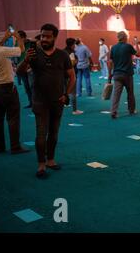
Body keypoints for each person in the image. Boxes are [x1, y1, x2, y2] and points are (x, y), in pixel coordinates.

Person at [17, 24, 76, 179]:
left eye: (47, 36)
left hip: (58, 102)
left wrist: (66, 94)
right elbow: (19, 71)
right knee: (41, 134)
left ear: (55, 37)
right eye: (42, 36)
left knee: (54, 134)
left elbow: (72, 76)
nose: (44, 39)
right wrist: (26, 60)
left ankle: (50, 160)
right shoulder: (33, 53)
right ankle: (41, 165)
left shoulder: (63, 55)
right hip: (40, 102)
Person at [0, 28, 29, 155]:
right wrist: (17, 36)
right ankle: (15, 147)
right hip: (6, 88)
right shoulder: (1, 50)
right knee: (13, 118)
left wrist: (4, 38)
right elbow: (21, 50)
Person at [108, 31, 137, 119]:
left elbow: (110, 62)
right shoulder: (128, 46)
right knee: (130, 93)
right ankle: (131, 110)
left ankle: (113, 111)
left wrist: (110, 75)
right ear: (125, 38)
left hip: (117, 74)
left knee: (116, 94)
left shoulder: (113, 47)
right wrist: (136, 44)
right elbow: (138, 54)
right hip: (127, 74)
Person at [64, 38, 83, 115]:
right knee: (73, 93)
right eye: (74, 44)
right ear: (72, 45)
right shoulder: (71, 53)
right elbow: (72, 64)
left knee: (64, 91)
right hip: (70, 75)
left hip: (63, 75)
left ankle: (65, 104)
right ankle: (75, 110)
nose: (75, 46)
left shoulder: (63, 51)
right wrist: (76, 61)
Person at [16, 30, 33, 108]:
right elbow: (17, 56)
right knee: (26, 87)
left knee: (32, 86)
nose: (18, 40)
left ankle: (36, 102)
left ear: (24, 37)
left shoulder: (31, 43)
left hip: (30, 68)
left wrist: (30, 66)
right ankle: (31, 103)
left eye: (19, 38)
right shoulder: (17, 43)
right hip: (22, 68)